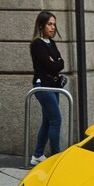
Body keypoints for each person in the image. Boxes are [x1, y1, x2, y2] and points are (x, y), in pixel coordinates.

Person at [29, 11, 65, 166]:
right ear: (41, 25)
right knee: (56, 120)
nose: (52, 27)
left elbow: (60, 63)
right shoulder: (37, 44)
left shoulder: (52, 43)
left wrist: (56, 62)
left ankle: (37, 154)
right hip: (42, 85)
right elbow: (51, 65)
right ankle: (56, 156)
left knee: (48, 121)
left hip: (53, 85)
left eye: (54, 24)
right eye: (50, 24)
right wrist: (55, 62)